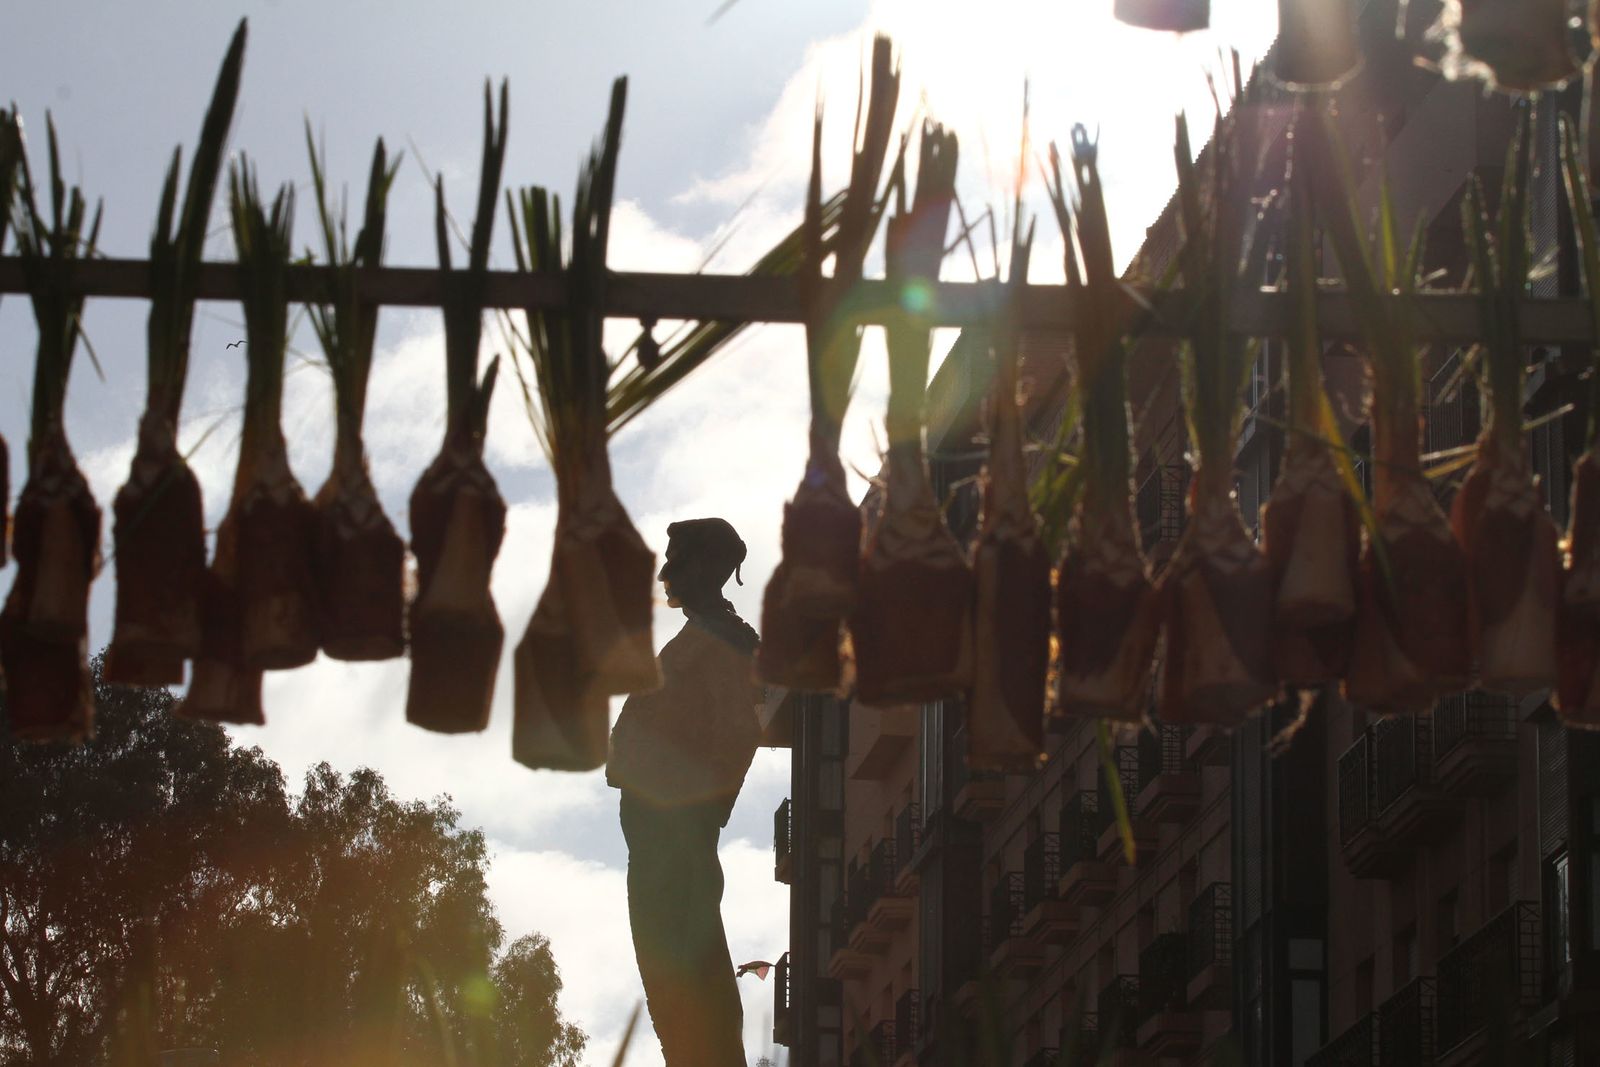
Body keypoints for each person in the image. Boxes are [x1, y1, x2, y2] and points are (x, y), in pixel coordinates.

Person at [607, 517, 761, 1067]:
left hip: (673, 831)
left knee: (687, 974)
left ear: (711, 568)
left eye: (679, 559)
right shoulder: (699, 638)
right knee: (669, 978)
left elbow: (737, 731)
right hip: (657, 831)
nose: (667, 572)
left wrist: (696, 809)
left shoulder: (724, 642)